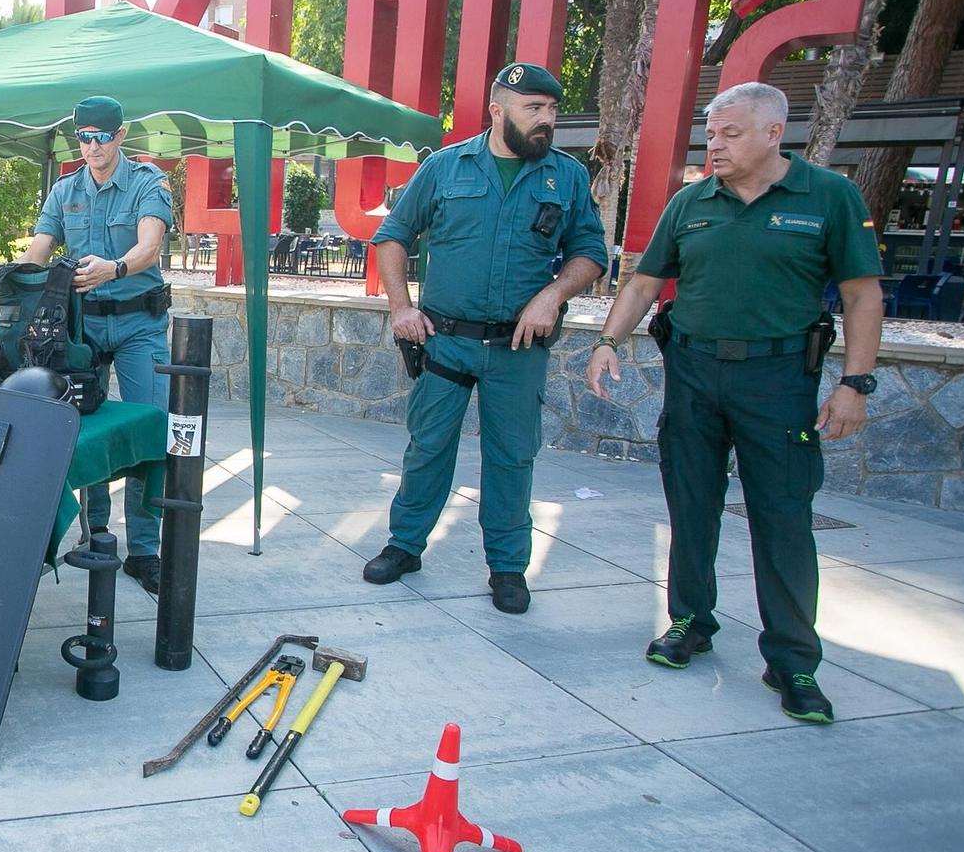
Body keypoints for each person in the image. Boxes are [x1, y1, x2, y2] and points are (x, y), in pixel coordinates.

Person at [587, 81, 883, 724]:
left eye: (730, 134)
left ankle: (793, 659)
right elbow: (645, 280)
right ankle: (690, 621)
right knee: (690, 505)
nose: (714, 146)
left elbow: (862, 295)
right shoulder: (692, 202)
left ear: (774, 133)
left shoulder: (828, 196)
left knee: (782, 518)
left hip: (777, 381)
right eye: (710, 134)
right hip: (692, 371)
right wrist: (609, 341)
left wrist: (855, 384)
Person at [364, 63, 607, 614]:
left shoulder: (565, 175)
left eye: (552, 110)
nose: (547, 120)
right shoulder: (446, 168)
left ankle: (506, 567)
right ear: (498, 110)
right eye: (534, 109)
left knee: (512, 457)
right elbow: (392, 236)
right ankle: (404, 546)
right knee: (427, 449)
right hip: (445, 342)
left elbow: (591, 253)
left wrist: (552, 296)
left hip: (517, 349)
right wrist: (401, 308)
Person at [0, 95, 173, 597]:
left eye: (101, 136)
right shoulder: (65, 191)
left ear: (120, 136)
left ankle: (145, 549)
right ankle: (98, 533)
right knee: (87, 426)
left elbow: (150, 246)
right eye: (83, 137)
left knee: (148, 426)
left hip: (137, 325)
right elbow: (38, 254)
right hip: (80, 329)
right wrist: (1, 269)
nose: (92, 146)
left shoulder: (148, 182)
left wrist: (116, 267)